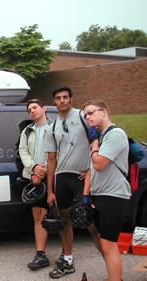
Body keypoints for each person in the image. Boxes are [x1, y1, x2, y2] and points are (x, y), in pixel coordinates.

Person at [44, 87, 102, 279]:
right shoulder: (52, 127)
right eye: (58, 98)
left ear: (71, 99)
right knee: (64, 222)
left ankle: (111, 264)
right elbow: (51, 160)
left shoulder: (83, 117)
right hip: (62, 178)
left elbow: (99, 140)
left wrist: (91, 168)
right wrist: (50, 190)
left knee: (90, 222)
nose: (62, 101)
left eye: (65, 97)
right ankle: (67, 260)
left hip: (81, 178)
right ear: (54, 101)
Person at [83, 100, 130, 281]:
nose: (88, 117)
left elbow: (99, 163)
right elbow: (90, 170)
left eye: (91, 112)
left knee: (108, 244)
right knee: (106, 243)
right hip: (100, 195)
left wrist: (94, 143)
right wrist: (86, 198)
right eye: (86, 114)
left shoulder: (115, 134)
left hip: (114, 194)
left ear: (104, 112)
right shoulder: (100, 138)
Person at [19, 99, 51, 270]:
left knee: (58, 216)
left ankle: (66, 255)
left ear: (43, 109)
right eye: (29, 109)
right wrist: (34, 169)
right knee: (38, 216)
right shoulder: (27, 130)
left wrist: (44, 169)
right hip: (33, 177)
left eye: (35, 107)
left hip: (51, 177)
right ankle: (41, 254)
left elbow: (58, 151)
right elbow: (22, 151)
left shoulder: (54, 128)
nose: (32, 111)